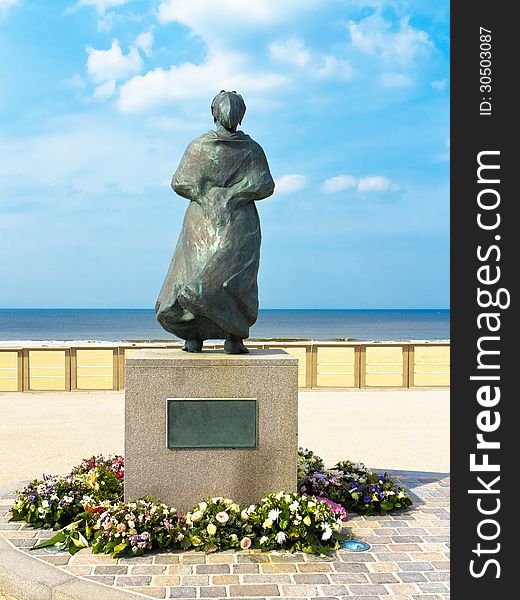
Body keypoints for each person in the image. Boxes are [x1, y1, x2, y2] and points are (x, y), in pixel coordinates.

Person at [155, 91, 275, 354]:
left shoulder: (249, 149)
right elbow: (180, 181)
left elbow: (265, 184)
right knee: (199, 276)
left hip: (235, 222)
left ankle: (227, 335)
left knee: (234, 279)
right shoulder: (202, 147)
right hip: (206, 222)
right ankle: (198, 333)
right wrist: (214, 194)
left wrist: (228, 194)